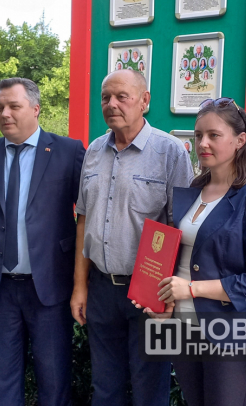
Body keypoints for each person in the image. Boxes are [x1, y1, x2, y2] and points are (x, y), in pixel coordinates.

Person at [0, 78, 85, 406]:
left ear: (36, 109)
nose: (5, 114)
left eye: (14, 106)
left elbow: (88, 216)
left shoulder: (68, 152)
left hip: (49, 286)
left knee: (54, 379)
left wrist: (83, 282)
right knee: (4, 379)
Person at [135, 98, 246, 406]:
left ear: (240, 140)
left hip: (230, 335)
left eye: (214, 135)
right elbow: (181, 258)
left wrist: (191, 289)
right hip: (183, 328)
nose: (203, 143)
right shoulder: (193, 189)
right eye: (199, 134)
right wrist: (163, 300)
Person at [70, 69, 193, 406]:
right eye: (105, 98)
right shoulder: (94, 151)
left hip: (151, 292)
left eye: (121, 96)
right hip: (101, 288)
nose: (111, 104)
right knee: (105, 388)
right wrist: (80, 286)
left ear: (144, 101)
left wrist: (172, 294)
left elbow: (181, 227)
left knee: (149, 390)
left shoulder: (171, 152)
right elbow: (83, 219)